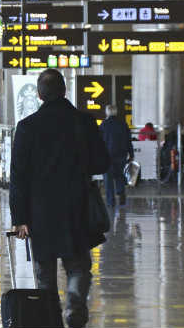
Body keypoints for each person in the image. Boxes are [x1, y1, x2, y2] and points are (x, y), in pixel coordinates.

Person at [10, 69, 110, 328]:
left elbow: (18, 176)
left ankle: (51, 318)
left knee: (45, 272)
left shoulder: (27, 127)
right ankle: (74, 310)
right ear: (65, 90)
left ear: (40, 95)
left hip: (40, 211)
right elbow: (102, 162)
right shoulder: (85, 122)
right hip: (77, 207)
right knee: (78, 266)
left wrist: (19, 218)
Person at [100, 104, 135, 209]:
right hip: (121, 154)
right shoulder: (123, 124)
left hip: (107, 155)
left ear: (107, 112)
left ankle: (111, 202)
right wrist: (131, 154)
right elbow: (128, 140)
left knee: (108, 178)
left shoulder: (103, 125)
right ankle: (121, 193)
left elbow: (99, 141)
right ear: (116, 112)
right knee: (120, 175)